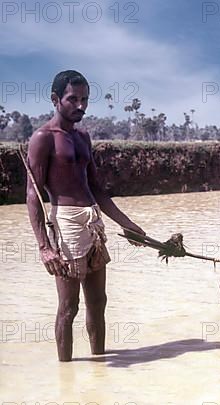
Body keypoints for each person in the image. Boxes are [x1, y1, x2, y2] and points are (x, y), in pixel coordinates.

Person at [25, 70, 146, 361]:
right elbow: (32, 195)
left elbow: (97, 189)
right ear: (55, 99)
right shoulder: (43, 139)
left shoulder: (83, 137)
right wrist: (45, 247)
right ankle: (65, 374)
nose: (80, 106)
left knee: (98, 301)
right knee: (69, 307)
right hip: (65, 222)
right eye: (73, 99)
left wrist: (128, 225)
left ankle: (98, 365)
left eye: (85, 100)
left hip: (92, 219)